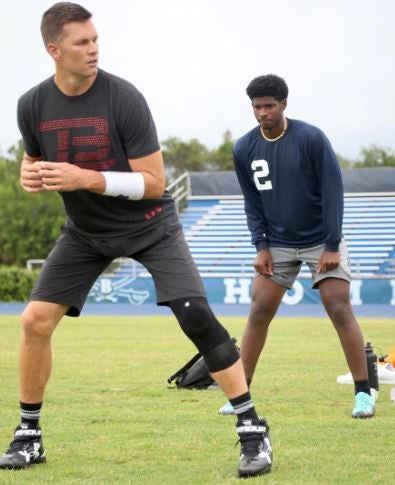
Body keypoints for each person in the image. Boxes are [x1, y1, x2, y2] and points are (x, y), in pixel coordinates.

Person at [0, 4, 272, 478]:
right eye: (82, 42)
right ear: (53, 50)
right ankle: (29, 436)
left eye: (96, 39)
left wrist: (82, 178)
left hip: (150, 225)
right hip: (87, 233)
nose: (94, 49)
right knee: (34, 321)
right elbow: (34, 162)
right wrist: (30, 175)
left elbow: (153, 183)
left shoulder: (124, 98)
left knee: (197, 317)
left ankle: (253, 431)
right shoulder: (31, 105)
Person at [218, 74, 375, 420]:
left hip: (321, 239)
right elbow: (251, 202)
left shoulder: (311, 138)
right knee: (259, 310)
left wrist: (332, 244)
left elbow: (333, 192)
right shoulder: (244, 148)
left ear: (284, 105)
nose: (262, 113)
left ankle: (364, 393)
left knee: (338, 306)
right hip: (277, 243)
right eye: (256, 107)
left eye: (269, 106)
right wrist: (260, 245)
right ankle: (239, 395)